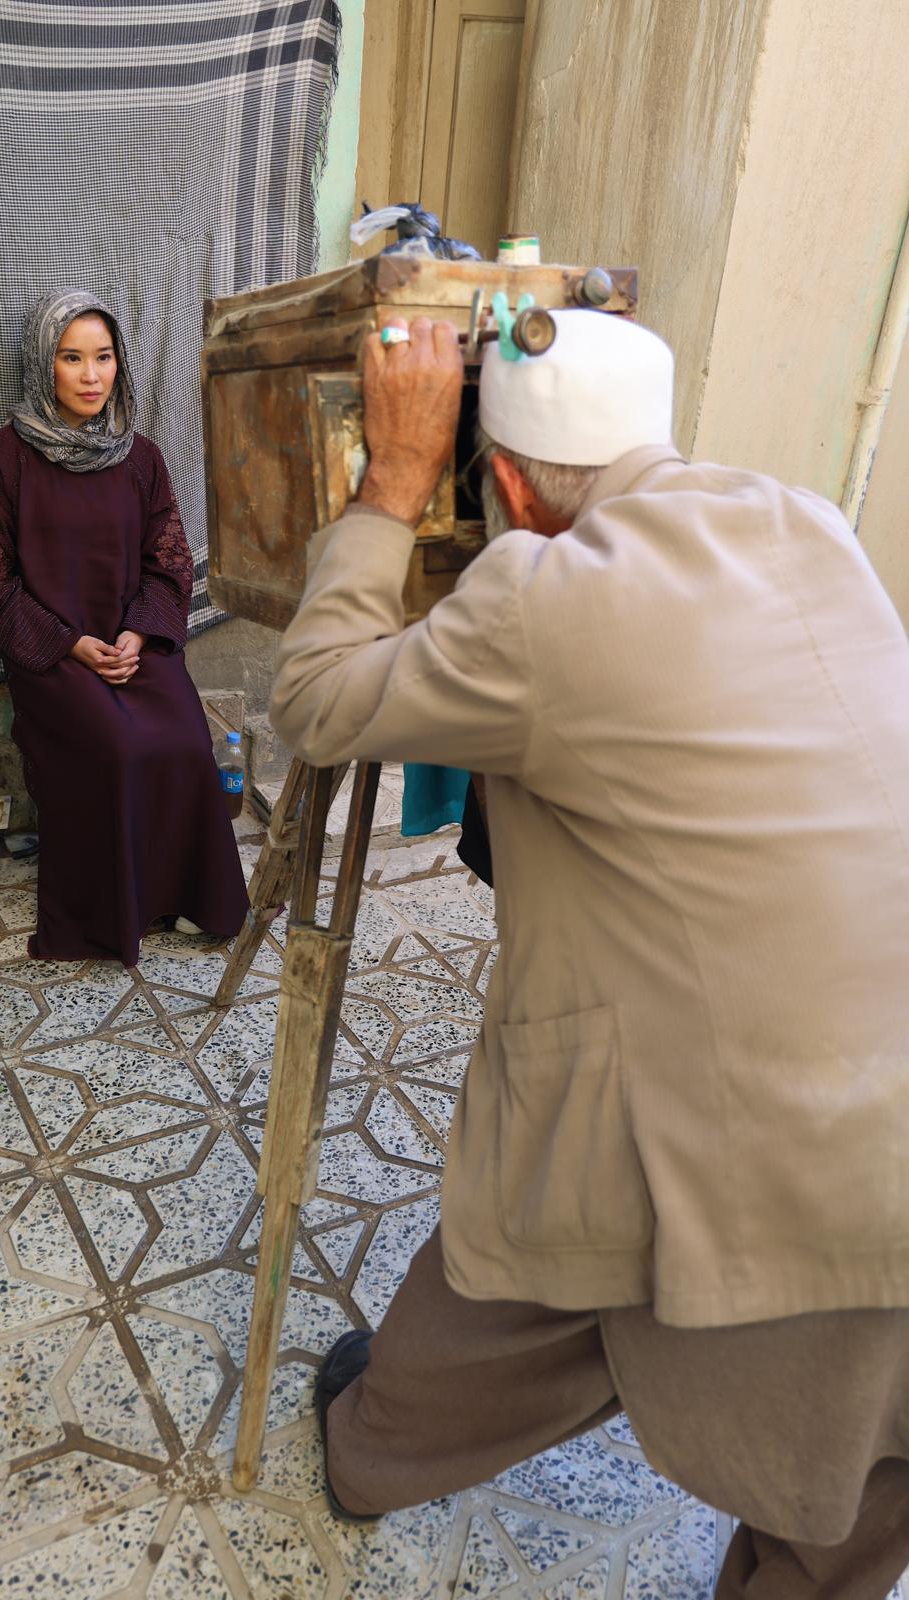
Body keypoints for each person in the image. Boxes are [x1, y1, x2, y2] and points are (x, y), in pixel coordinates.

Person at [267, 308, 909, 1596]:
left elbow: (316, 699)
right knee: (855, 1478)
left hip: (725, 1135)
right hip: (890, 1114)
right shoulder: (810, 528)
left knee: (538, 1260)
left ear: (503, 485)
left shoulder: (544, 592)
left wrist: (393, 481)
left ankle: (366, 1454)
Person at [0, 289, 249, 965]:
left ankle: (185, 899)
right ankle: (111, 915)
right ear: (43, 366)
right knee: (115, 748)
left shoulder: (139, 457)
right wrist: (72, 645)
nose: (91, 376)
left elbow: (169, 560)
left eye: (103, 357)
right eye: (71, 358)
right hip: (52, 656)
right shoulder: (0, 462)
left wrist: (139, 635)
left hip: (132, 644)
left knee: (183, 741)